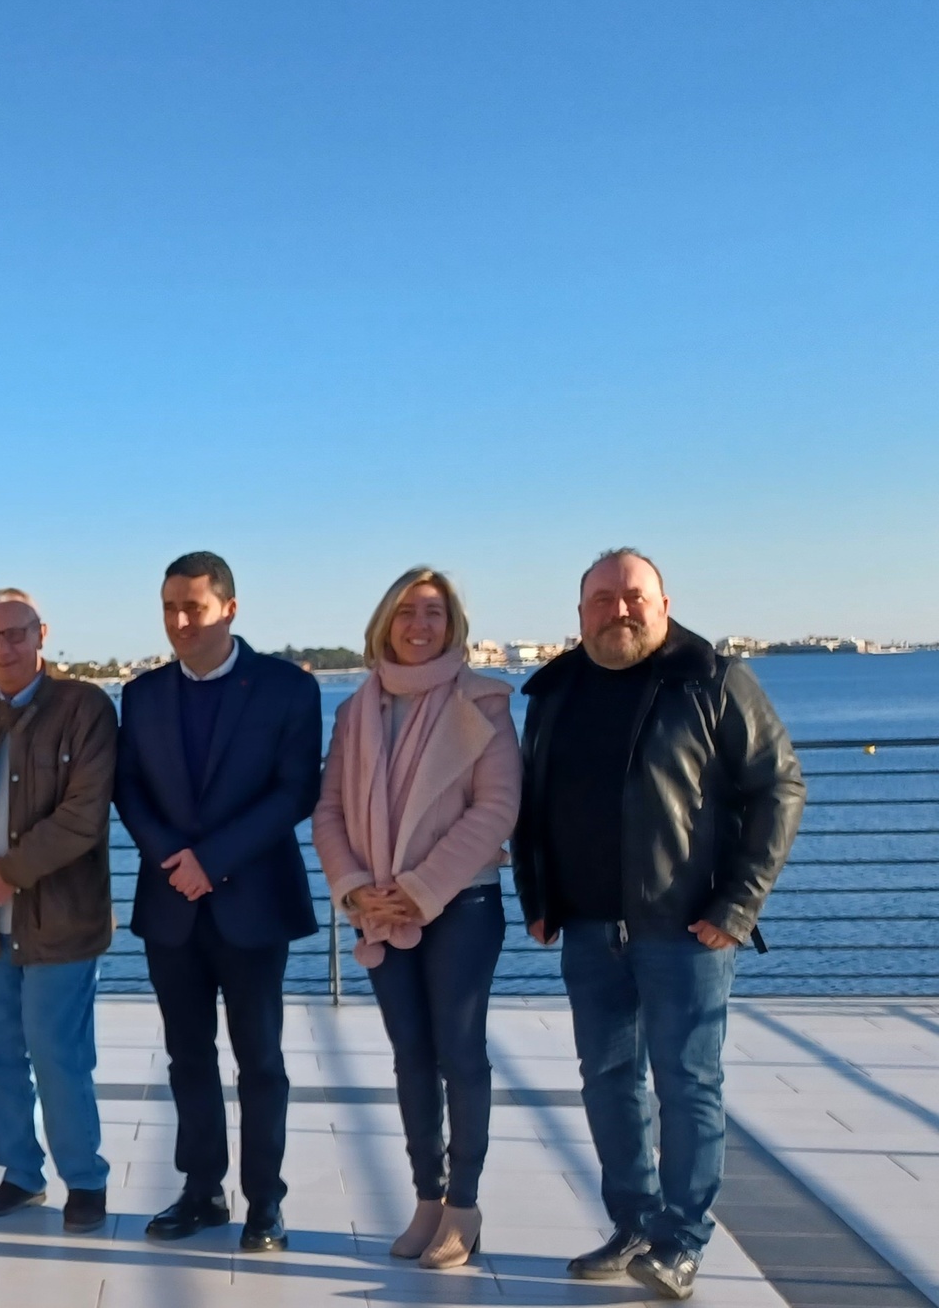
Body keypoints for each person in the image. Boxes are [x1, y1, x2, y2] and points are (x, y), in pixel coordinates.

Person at [513, 550, 803, 1300]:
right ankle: (633, 1223)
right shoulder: (555, 690)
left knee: (686, 1081)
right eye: (602, 599)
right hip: (585, 926)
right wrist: (536, 894)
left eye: (632, 595)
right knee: (608, 1080)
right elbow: (531, 804)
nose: (619, 609)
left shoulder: (711, 679)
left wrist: (736, 906)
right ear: (580, 615)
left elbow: (779, 786)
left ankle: (682, 1238)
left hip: (686, 928)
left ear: (664, 603)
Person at [311, 568, 520, 1269]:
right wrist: (354, 889)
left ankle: (464, 1203)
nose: (419, 623)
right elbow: (329, 810)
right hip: (377, 908)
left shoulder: (484, 702)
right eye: (407, 610)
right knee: (411, 1056)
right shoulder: (355, 710)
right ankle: (426, 1196)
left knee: (460, 1053)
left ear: (452, 622)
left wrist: (420, 887)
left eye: (433, 611)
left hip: (462, 904)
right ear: (386, 622)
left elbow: (496, 807)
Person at [115, 551, 321, 1250]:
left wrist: (214, 859)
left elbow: (296, 790)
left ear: (229, 608)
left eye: (192, 607)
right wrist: (177, 861)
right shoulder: (141, 696)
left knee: (260, 1058)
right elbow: (129, 789)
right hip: (172, 904)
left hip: (253, 904)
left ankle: (265, 1201)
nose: (178, 621)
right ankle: (201, 1190)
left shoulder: (288, 688)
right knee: (187, 1057)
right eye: (168, 606)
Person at [0, 590, 117, 1233]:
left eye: (15, 634)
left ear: (43, 634)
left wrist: (10, 871)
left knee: (58, 1052)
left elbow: (84, 815)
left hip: (62, 920)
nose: (2, 649)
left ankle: (84, 1180)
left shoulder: (85, 707)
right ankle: (19, 1174)